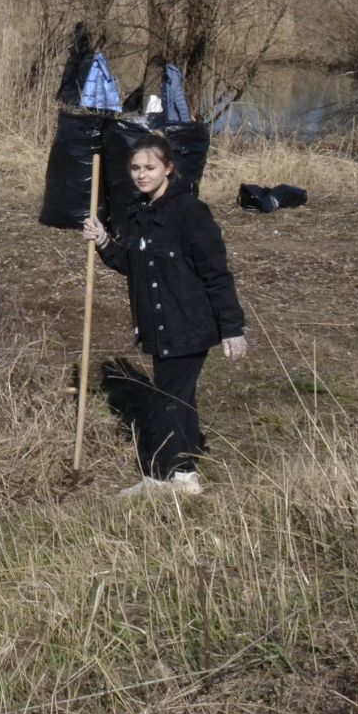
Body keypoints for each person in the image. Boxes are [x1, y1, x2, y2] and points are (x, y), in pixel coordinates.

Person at [83, 133, 246, 498]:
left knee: (165, 401)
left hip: (189, 324)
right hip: (158, 326)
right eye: (136, 168)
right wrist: (105, 241)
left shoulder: (189, 212)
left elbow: (216, 273)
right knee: (179, 398)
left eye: (150, 167)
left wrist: (233, 328)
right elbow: (134, 265)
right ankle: (185, 476)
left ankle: (159, 477)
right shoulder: (139, 214)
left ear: (168, 168)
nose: (142, 174)